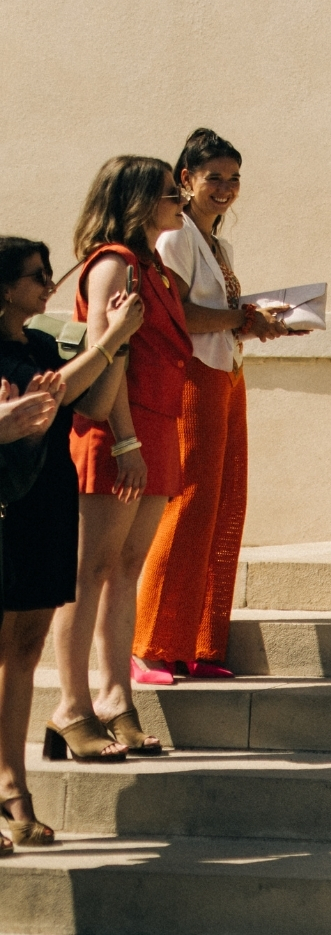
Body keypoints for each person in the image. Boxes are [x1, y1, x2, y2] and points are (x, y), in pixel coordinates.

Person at [0, 237, 145, 844]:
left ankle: (12, 788)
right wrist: (107, 340)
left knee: (26, 650)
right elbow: (55, 392)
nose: (51, 283)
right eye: (37, 276)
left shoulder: (38, 343)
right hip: (6, 509)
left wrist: (117, 347)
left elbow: (88, 402)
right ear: (4, 287)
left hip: (45, 505)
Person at [47, 156, 192, 762]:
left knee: (126, 569)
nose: (179, 204)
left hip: (154, 430)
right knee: (89, 572)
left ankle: (115, 698)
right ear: (136, 201)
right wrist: (127, 441)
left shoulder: (154, 266)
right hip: (116, 431)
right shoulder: (115, 262)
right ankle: (70, 708)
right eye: (168, 194)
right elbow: (112, 355)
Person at [133, 129, 288, 682]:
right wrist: (241, 319)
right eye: (214, 177)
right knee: (190, 502)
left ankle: (197, 643)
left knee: (224, 504)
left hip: (228, 373)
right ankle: (151, 645)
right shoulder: (175, 239)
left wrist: (255, 321)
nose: (225, 188)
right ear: (186, 180)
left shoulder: (216, 244)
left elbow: (217, 314)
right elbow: (173, 317)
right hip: (194, 378)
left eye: (233, 178)